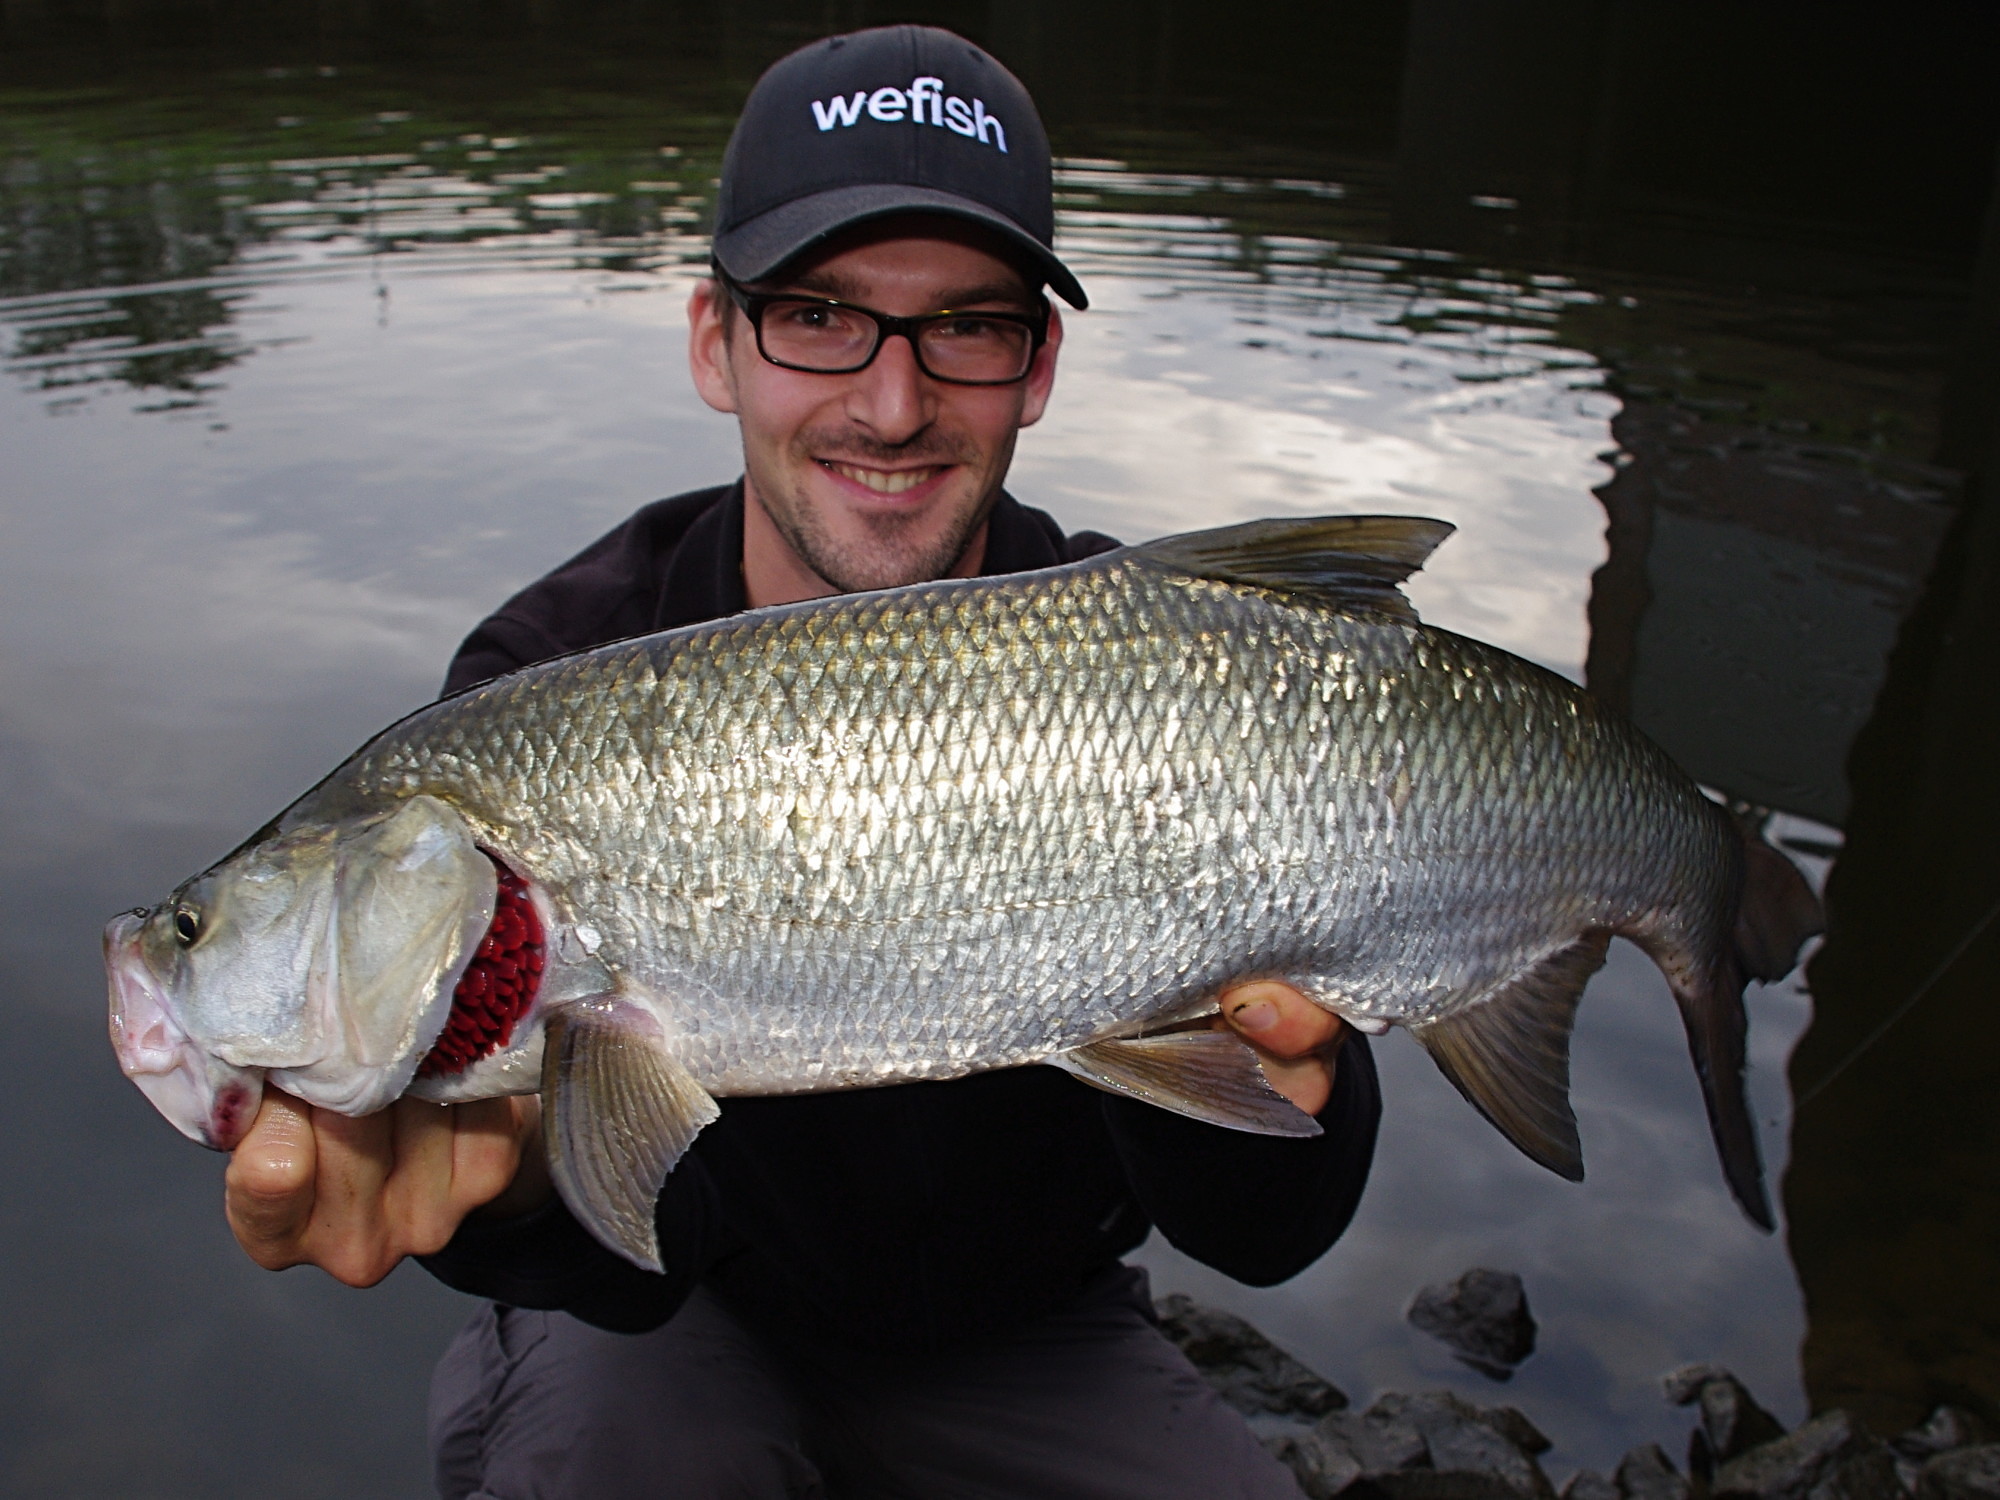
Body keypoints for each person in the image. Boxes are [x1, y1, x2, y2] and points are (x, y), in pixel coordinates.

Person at [223, 25, 1380, 1499]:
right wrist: (516, 1183)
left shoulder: (1179, 680)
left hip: (1034, 1323)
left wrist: (1277, 1091)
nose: (892, 407)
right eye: (820, 316)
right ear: (715, 341)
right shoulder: (543, 696)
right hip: (677, 1324)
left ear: (1038, 366)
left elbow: (1269, 1239)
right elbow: (639, 1261)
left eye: (967, 325)